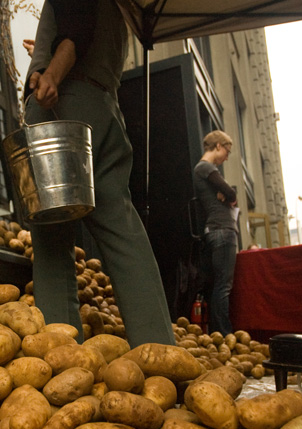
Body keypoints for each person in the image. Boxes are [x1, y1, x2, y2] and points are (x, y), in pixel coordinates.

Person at [23, 0, 175, 346]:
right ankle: (159, 348)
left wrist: (50, 75)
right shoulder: (119, 10)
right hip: (104, 109)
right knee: (123, 233)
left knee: (51, 235)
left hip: (62, 105)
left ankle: (61, 352)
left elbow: (76, 31)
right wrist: (42, 60)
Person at [194, 130, 238, 336]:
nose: (226, 157)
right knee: (223, 286)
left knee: (219, 285)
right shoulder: (206, 168)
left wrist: (227, 194)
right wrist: (227, 194)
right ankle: (224, 332)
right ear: (218, 146)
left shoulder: (202, 170)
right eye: (227, 152)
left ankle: (219, 333)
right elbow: (231, 193)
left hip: (214, 231)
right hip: (222, 229)